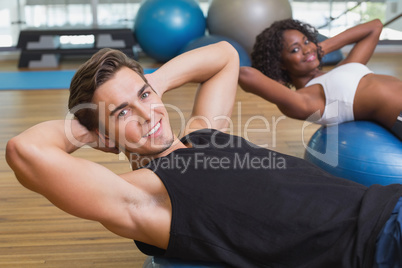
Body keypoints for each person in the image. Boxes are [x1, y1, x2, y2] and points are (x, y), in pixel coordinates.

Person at [5, 42, 402, 268]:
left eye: (144, 97)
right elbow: (25, 151)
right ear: (102, 136)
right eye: (123, 113)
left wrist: (149, 87)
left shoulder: (203, 134)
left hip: (388, 202)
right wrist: (93, 125)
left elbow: (225, 56)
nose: (148, 115)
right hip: (376, 245)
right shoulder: (146, 194)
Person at [238, 18, 402, 140]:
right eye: (295, 49)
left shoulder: (346, 66)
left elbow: (375, 27)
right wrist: (276, 76)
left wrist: (318, 49)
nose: (306, 49)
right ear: (281, 64)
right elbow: (246, 74)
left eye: (307, 41)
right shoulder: (305, 99)